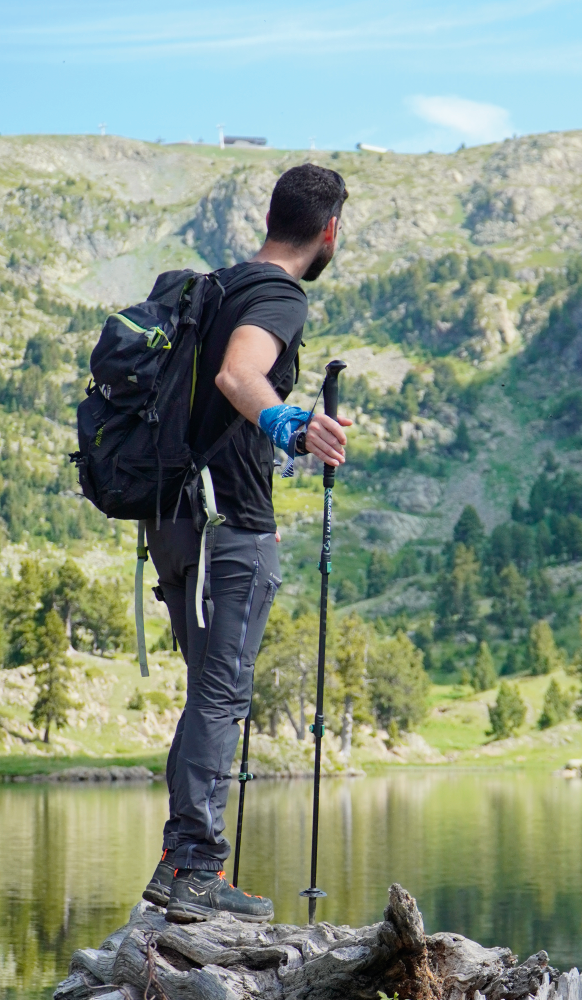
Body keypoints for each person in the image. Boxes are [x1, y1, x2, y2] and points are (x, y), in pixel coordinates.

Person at [141, 163, 351, 924]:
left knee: (208, 697)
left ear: (272, 217)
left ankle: (179, 867)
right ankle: (194, 868)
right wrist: (290, 424)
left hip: (175, 522)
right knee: (222, 697)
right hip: (229, 530)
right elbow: (238, 376)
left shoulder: (221, 285)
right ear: (329, 232)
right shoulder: (278, 296)